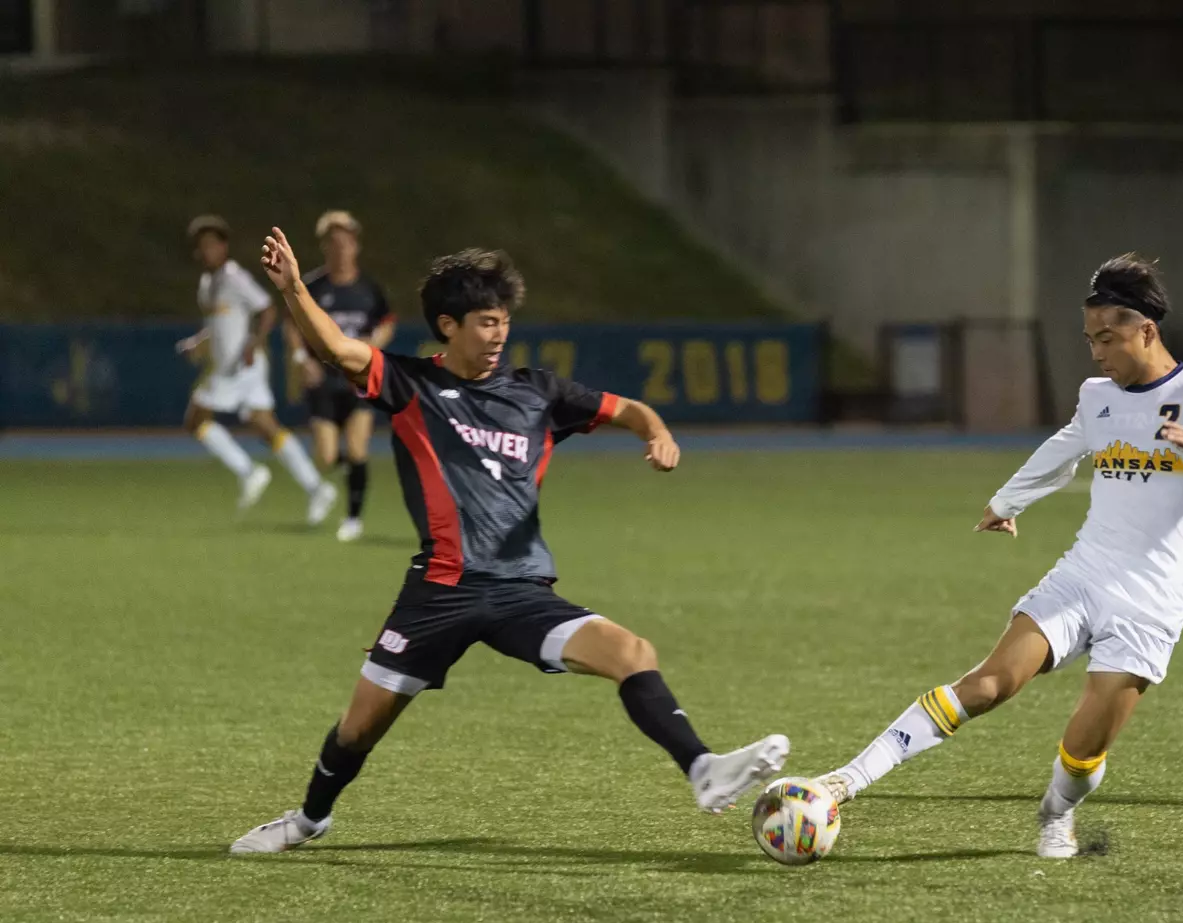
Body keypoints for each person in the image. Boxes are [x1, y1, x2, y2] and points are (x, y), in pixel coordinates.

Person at [231, 228, 788, 853]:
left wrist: (655, 434)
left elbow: (630, 408)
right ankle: (308, 820)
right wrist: (295, 290)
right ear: (448, 325)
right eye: (485, 322)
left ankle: (703, 770)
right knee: (357, 731)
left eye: (503, 322)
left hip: (522, 589)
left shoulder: (538, 393)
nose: (498, 335)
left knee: (632, 652)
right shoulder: (410, 385)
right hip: (438, 592)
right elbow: (336, 348)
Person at [818, 255, 1183, 859]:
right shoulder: (1098, 397)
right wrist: (1009, 500)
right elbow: (1065, 447)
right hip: (1083, 575)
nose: (1096, 353)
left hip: (1150, 605)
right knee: (988, 683)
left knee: (1085, 750)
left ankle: (1057, 813)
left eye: (1106, 338)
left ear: (1147, 331)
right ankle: (844, 781)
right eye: (1089, 340)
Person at [179, 215, 337, 525]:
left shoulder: (234, 277)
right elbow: (218, 326)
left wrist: (254, 343)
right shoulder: (208, 283)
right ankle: (317, 488)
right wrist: (198, 342)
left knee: (195, 419)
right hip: (231, 366)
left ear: (224, 247)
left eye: (213, 243)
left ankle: (249, 472)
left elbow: (267, 309)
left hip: (241, 366)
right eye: (203, 245)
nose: (208, 250)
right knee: (266, 427)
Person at [286, 210, 396, 542]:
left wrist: (373, 345)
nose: (340, 248)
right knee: (327, 455)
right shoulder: (312, 286)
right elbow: (292, 323)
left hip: (358, 380)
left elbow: (386, 322)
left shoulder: (368, 289)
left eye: (346, 242)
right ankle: (349, 473)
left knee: (359, 448)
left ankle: (352, 518)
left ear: (355, 246)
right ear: (325, 247)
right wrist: (302, 358)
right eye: (333, 243)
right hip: (324, 381)